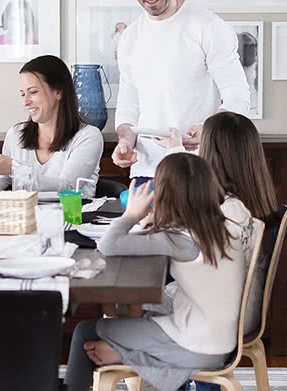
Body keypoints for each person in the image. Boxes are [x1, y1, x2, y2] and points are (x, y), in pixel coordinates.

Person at [63, 153, 262, 391]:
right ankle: (122, 353)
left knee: (85, 331)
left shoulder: (178, 239)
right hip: (221, 340)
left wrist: (132, 215)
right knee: (140, 316)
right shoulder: (220, 226)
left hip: (197, 347)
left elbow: (109, 245)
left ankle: (123, 354)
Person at [156, 112, 280, 391]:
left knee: (127, 307)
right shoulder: (251, 200)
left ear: (212, 154)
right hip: (241, 304)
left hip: (220, 311)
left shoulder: (227, 209)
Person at [111, 0, 249, 184]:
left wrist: (208, 128)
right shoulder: (130, 37)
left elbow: (238, 97)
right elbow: (128, 106)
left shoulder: (208, 27)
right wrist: (125, 141)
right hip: (146, 173)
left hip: (200, 170)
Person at [0, 55, 103, 197]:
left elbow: (68, 187)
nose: (25, 102)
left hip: (72, 217)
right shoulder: (16, 134)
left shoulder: (88, 136)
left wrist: (14, 169)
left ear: (58, 91)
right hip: (25, 217)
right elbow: (6, 178)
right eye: (23, 94)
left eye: (33, 92)